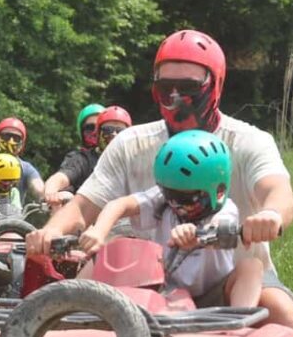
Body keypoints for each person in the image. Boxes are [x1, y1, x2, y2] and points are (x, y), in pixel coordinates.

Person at [27, 29, 293, 329]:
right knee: (71, 301)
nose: (175, 97)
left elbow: (278, 192)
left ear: (215, 85)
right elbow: (83, 207)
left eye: (188, 87)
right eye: (166, 86)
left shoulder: (249, 141)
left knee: (280, 312)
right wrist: (50, 231)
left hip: (230, 281)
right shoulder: (130, 143)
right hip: (147, 280)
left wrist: (270, 216)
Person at [80, 131, 263, 308]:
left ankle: (239, 322)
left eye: (185, 199)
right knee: (111, 250)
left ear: (217, 191)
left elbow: (219, 227)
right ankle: (71, 308)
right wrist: (99, 231)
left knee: (252, 266)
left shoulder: (226, 210)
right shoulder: (163, 201)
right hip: (168, 292)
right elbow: (119, 205)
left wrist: (196, 235)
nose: (175, 204)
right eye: (169, 194)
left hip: (214, 293)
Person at [43, 104, 132, 206]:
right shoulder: (82, 159)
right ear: (98, 133)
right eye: (108, 129)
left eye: (121, 131)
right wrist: (51, 193)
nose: (114, 135)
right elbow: (61, 177)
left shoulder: (134, 160)